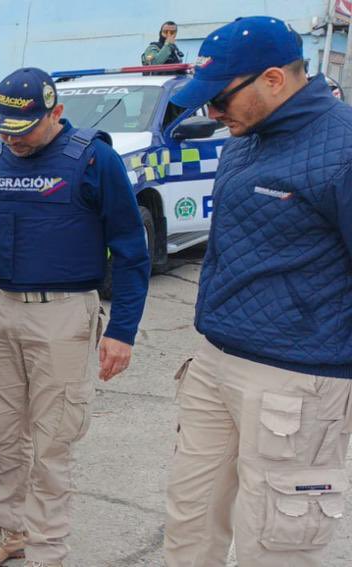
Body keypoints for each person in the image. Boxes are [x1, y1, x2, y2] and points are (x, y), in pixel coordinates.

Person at [0, 68, 151, 567]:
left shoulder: (95, 159)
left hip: (65, 316)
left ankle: (48, 551)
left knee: (53, 443)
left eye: (23, 128)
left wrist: (122, 331)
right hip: (1, 310)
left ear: (56, 114)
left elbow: (132, 252)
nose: (12, 138)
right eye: (3, 127)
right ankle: (10, 531)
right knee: (5, 435)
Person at [160, 16, 352, 567]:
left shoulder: (341, 148)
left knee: (277, 542)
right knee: (190, 519)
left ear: (273, 79)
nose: (212, 114)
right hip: (214, 360)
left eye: (219, 100)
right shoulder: (244, 142)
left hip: (298, 379)